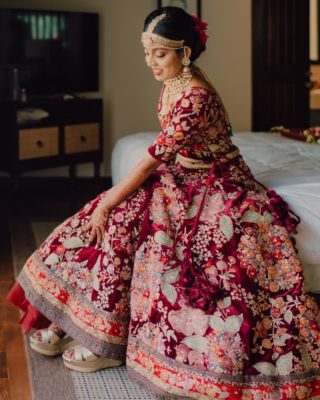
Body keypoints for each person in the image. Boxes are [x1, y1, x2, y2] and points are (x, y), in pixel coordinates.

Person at [7, 6, 320, 399]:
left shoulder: (195, 96)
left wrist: (107, 201)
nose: (150, 62)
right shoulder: (175, 80)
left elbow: (150, 161)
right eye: (147, 52)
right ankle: (82, 324)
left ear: (185, 52)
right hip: (184, 172)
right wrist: (107, 204)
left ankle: (109, 343)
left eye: (160, 53)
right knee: (116, 220)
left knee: (154, 239)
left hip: (217, 182)